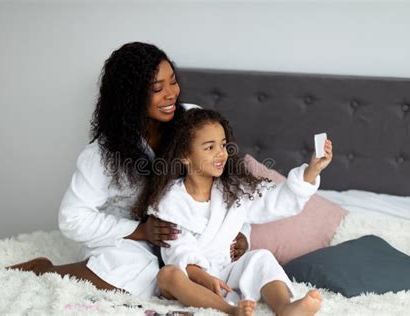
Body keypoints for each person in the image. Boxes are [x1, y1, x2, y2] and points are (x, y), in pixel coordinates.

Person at [7, 42, 249, 298]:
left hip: (185, 237)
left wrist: (239, 233)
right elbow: (72, 219)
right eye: (157, 88)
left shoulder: (192, 121)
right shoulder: (103, 152)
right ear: (131, 96)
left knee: (207, 265)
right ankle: (45, 270)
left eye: (173, 82)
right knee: (140, 274)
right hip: (128, 239)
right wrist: (139, 231)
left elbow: (228, 182)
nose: (171, 94)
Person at [132, 108, 333, 315]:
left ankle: (286, 307)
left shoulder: (234, 190)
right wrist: (206, 279)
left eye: (223, 145)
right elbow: (179, 253)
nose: (221, 153)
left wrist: (312, 171)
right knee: (168, 275)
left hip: (226, 271)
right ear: (184, 155)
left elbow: (276, 200)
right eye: (209, 148)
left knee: (261, 257)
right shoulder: (170, 201)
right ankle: (230, 310)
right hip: (191, 279)